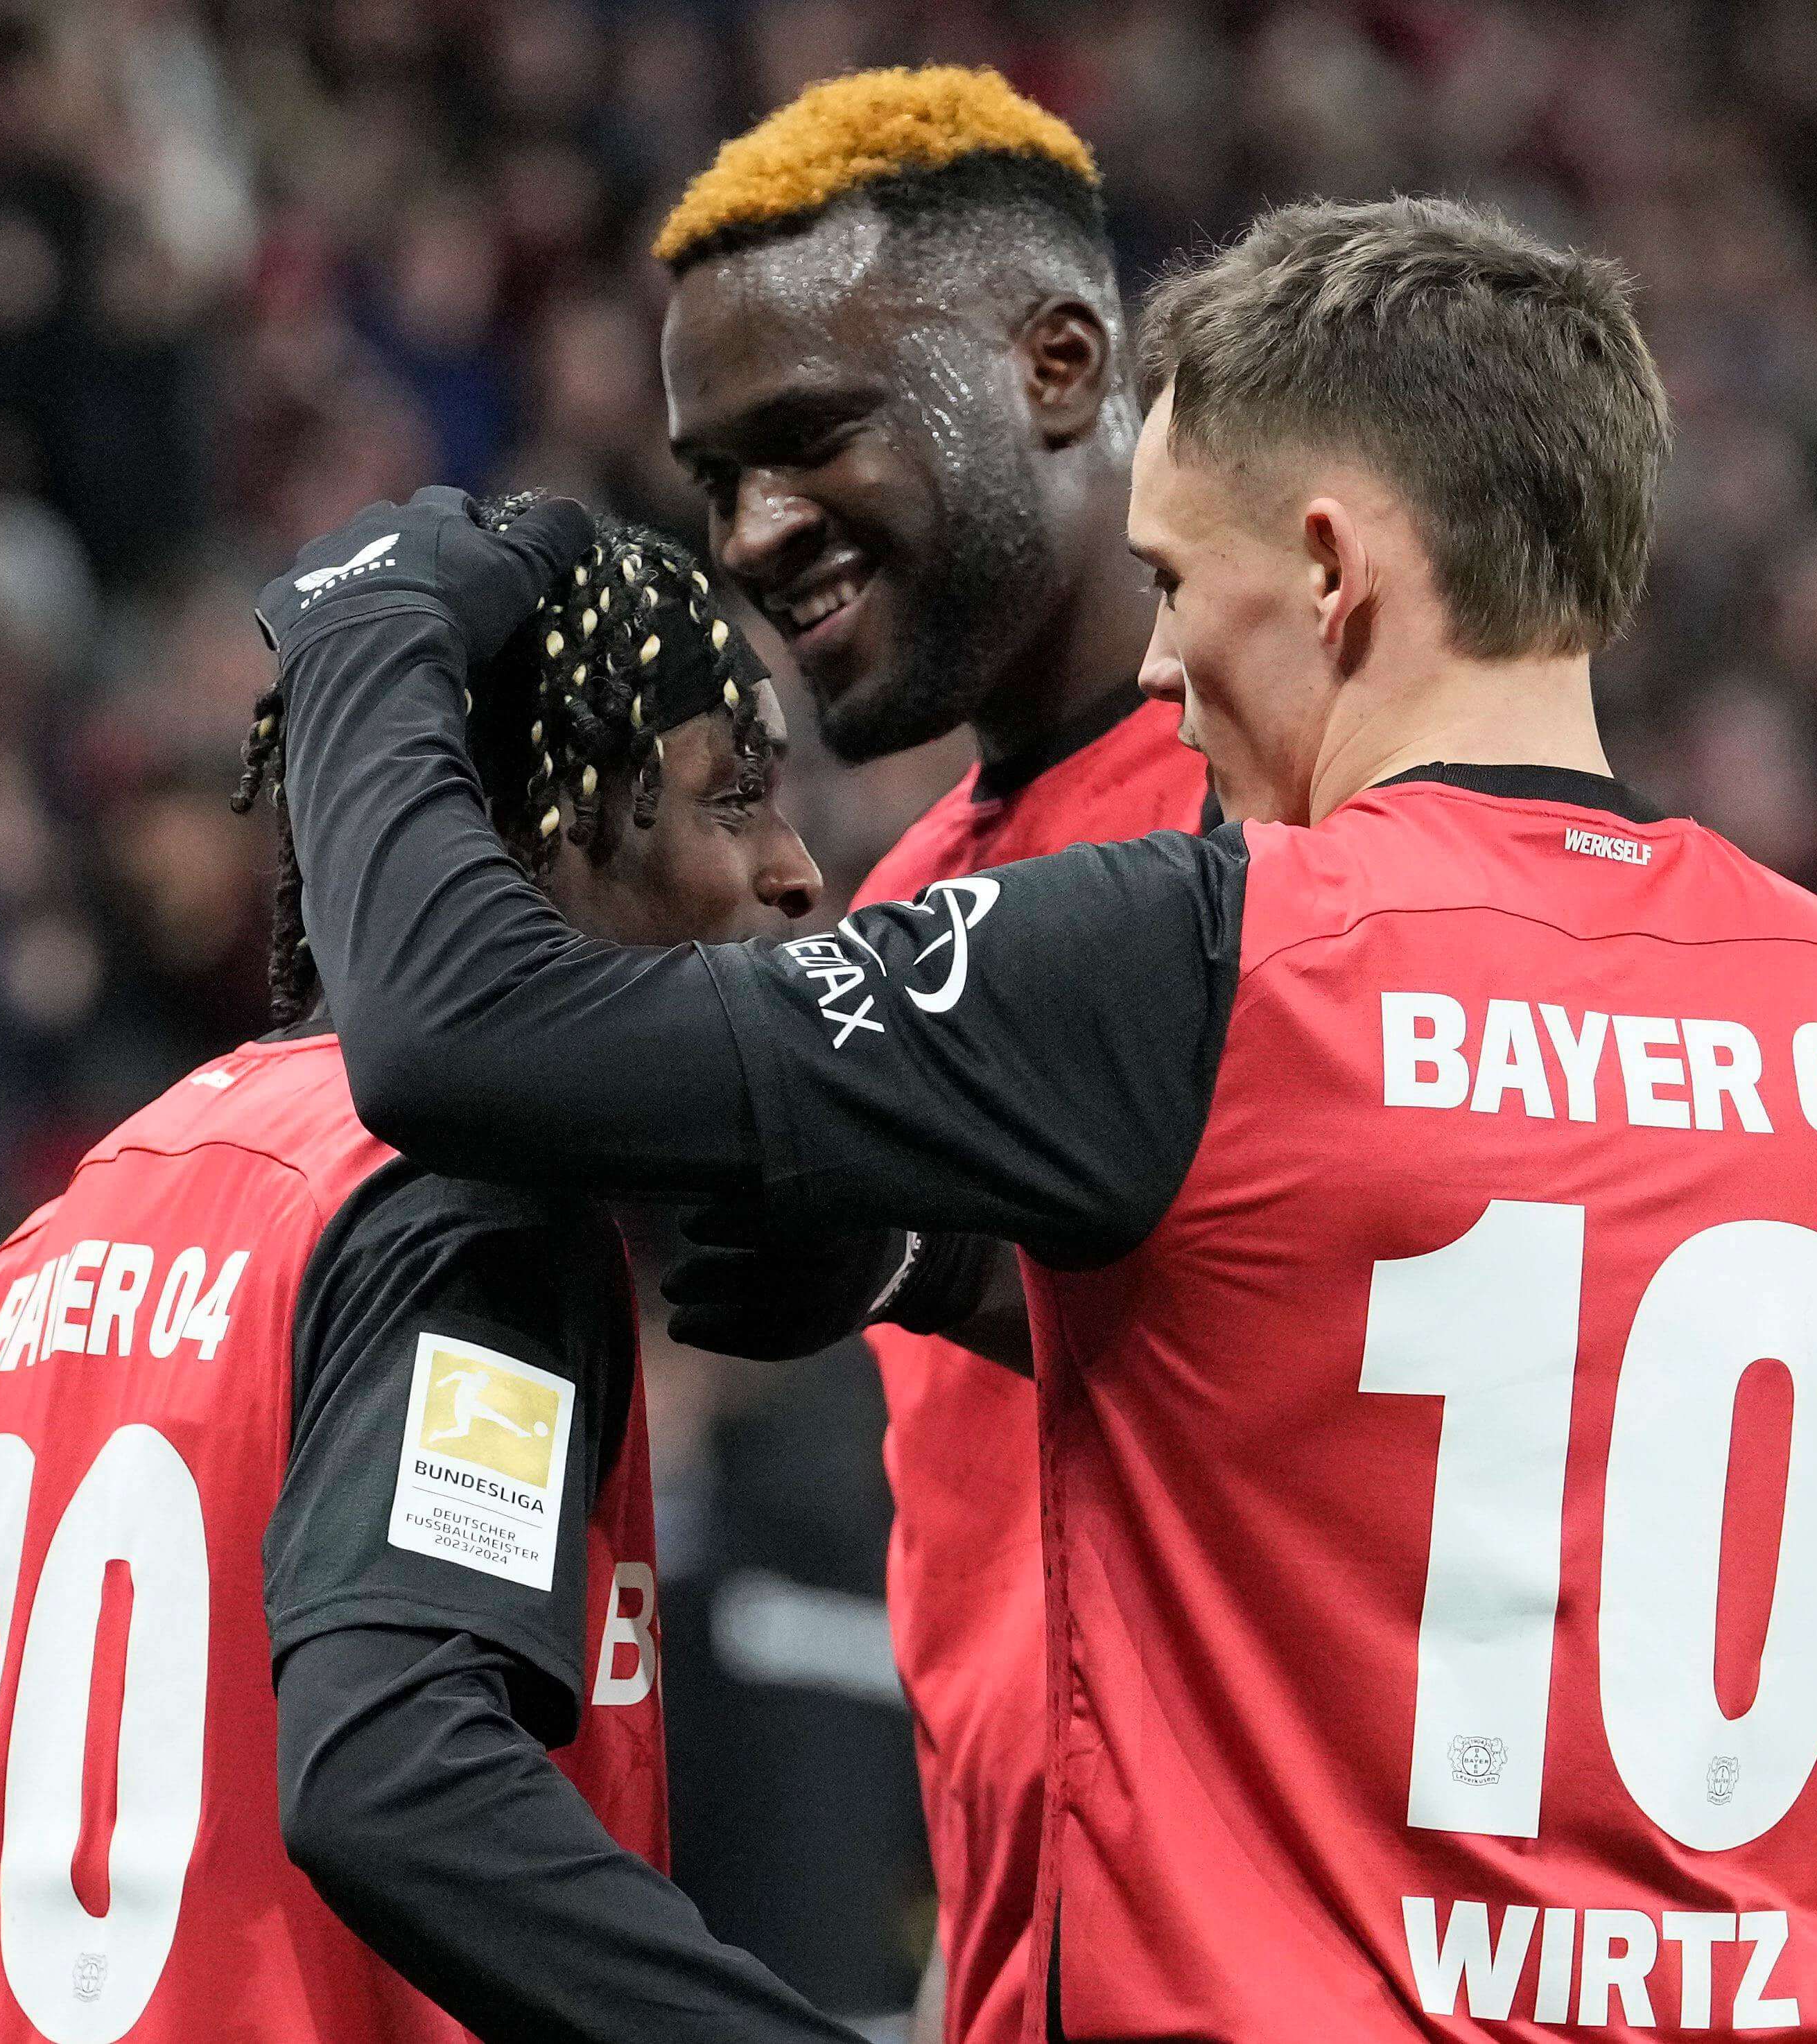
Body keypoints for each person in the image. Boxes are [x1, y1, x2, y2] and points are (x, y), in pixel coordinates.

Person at [258, 200, 1817, 2043]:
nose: (1155, 654)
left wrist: (369, 620)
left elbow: (466, 1040)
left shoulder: (1212, 958)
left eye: (1174, 574)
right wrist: (1792, 1916)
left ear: (1331, 572)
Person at [0, 501, 861, 2044]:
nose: (797, 869)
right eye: (736, 795)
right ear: (554, 820)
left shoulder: (56, 1230)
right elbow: (394, 1776)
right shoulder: (462, 1200)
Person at [648, 67, 1208, 2044]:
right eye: (717, 480)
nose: (758, 534)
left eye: (809, 438)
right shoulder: (911, 899)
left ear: (1060, 365)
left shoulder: (1294, 846)